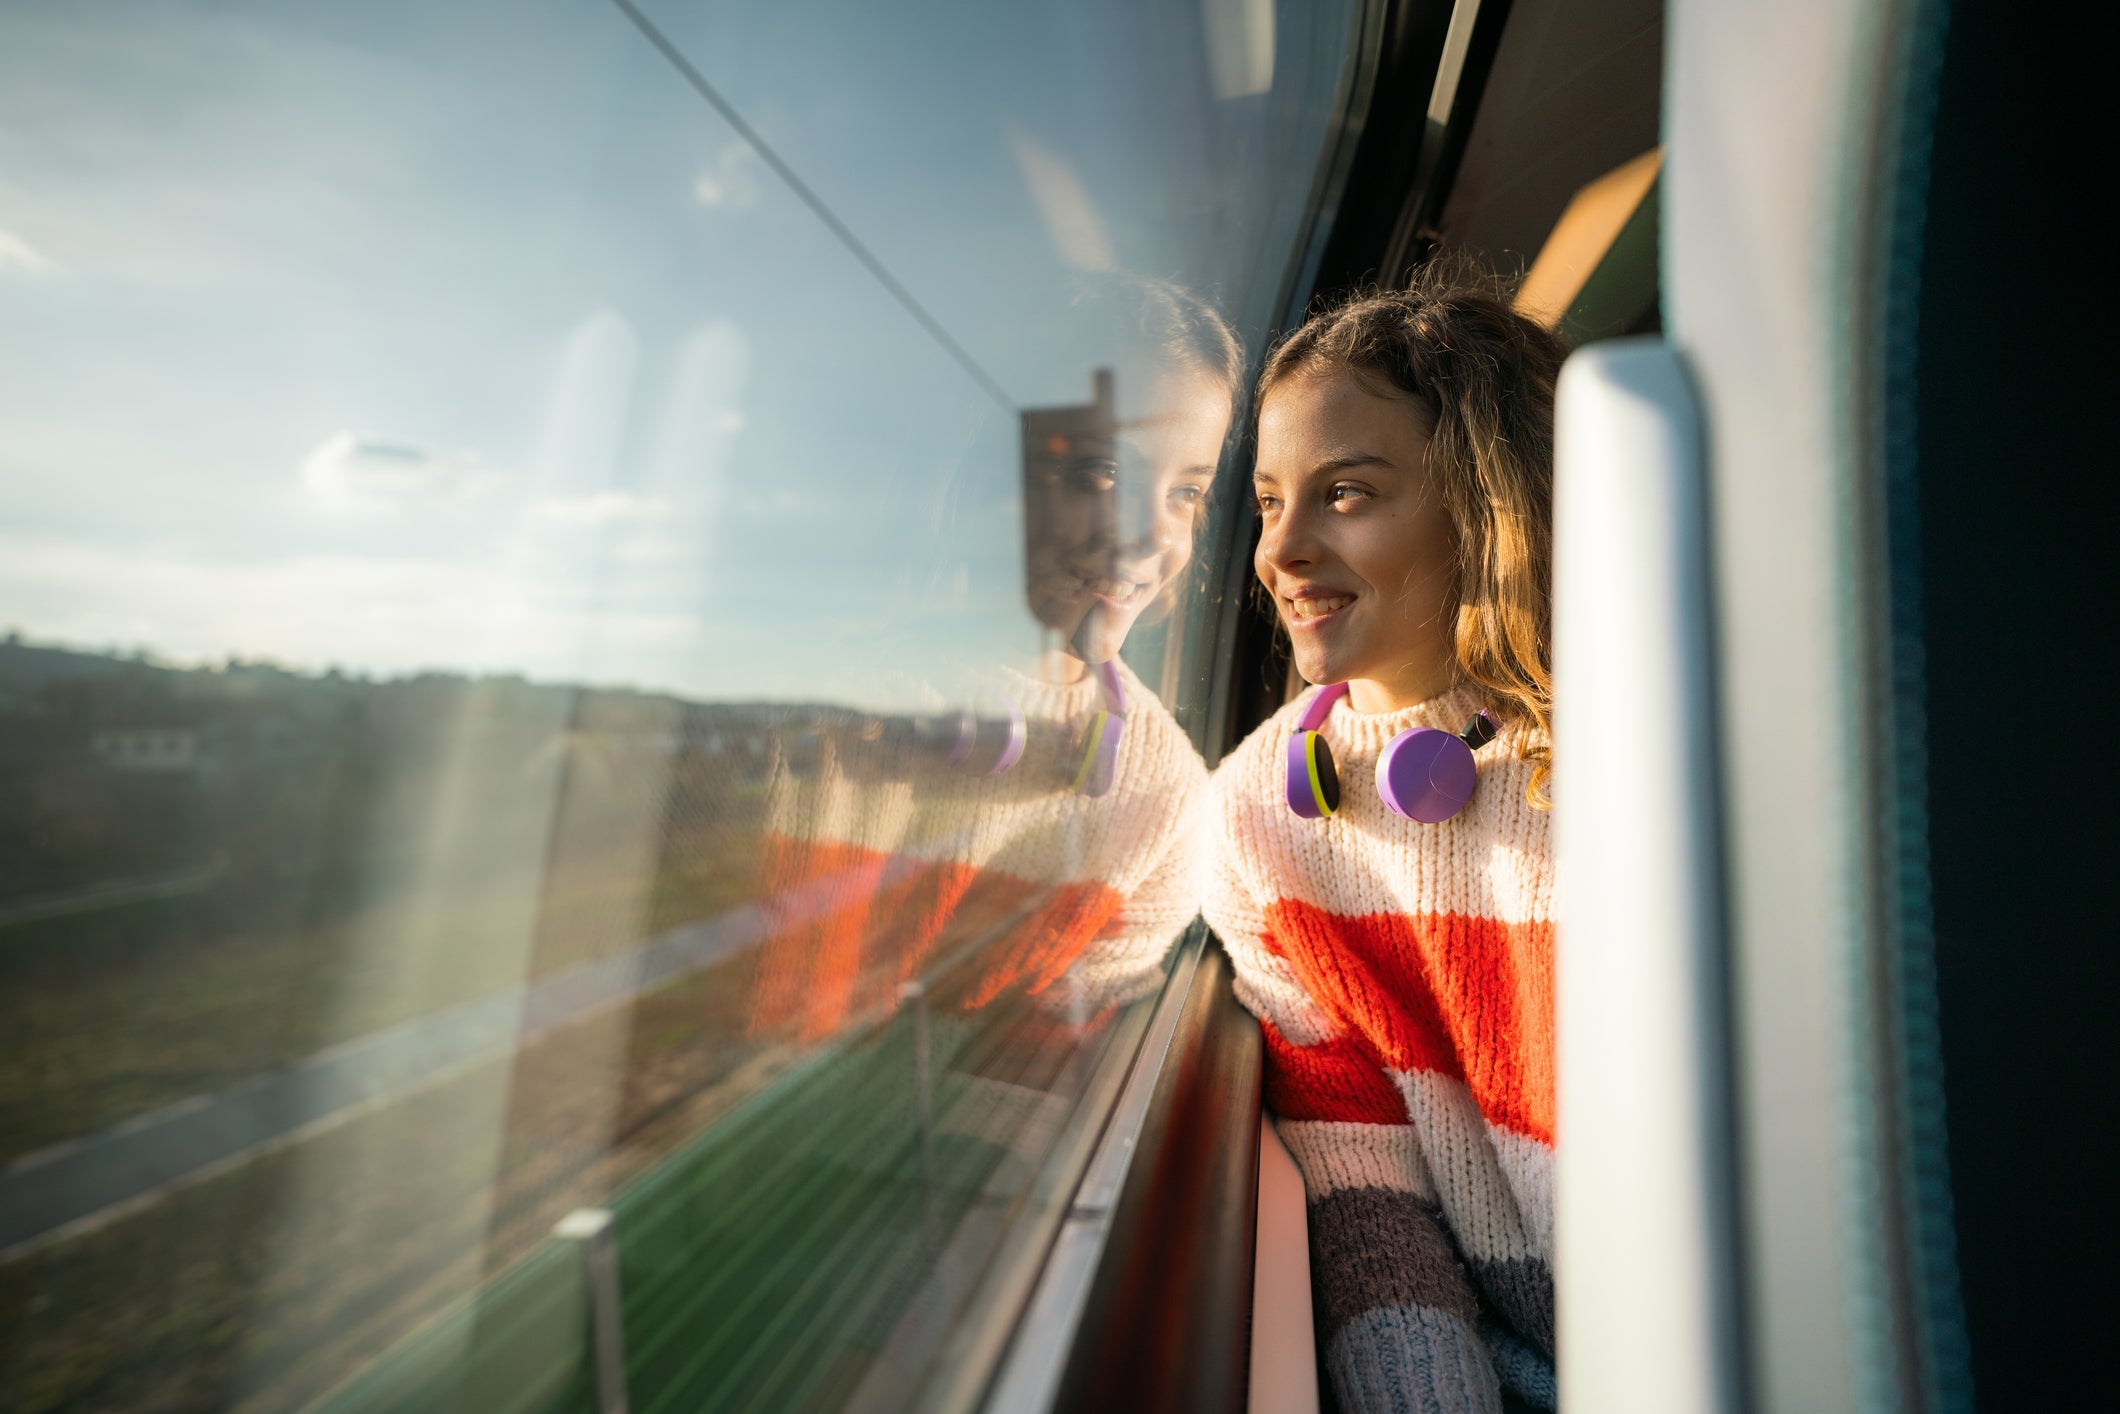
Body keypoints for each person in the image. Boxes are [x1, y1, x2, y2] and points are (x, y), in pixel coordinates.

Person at [1201, 266, 1568, 1412]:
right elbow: (1369, 1199)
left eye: (1344, 493)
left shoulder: (1618, 747)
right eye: (1267, 501)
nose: (1281, 550)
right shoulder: (1256, 818)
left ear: (1482, 501)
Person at [743, 278, 1240, 1042]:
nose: (1148, 534)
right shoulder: (812, 711)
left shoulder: (1167, 802)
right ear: (989, 477)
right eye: (1101, 474)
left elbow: (1050, 1079)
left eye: (1185, 492)